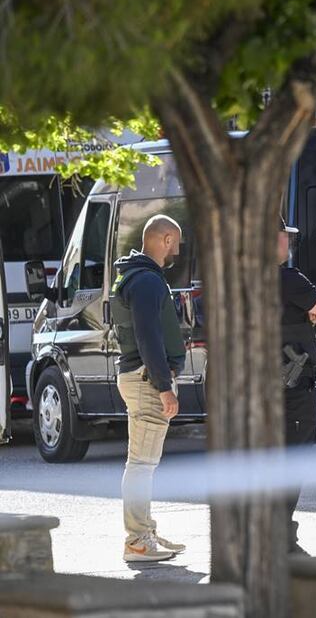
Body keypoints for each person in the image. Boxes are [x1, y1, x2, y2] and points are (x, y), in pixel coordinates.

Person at [112, 214, 187, 562]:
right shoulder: (147, 282)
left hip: (141, 377)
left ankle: (145, 532)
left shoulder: (137, 277)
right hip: (146, 379)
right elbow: (148, 337)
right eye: (178, 242)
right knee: (141, 463)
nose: (179, 250)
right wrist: (163, 386)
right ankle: (138, 541)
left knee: (143, 462)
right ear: (166, 239)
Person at [278, 216, 316, 553]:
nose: (288, 243)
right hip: (289, 390)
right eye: (284, 236)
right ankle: (282, 540)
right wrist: (311, 311)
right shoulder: (286, 279)